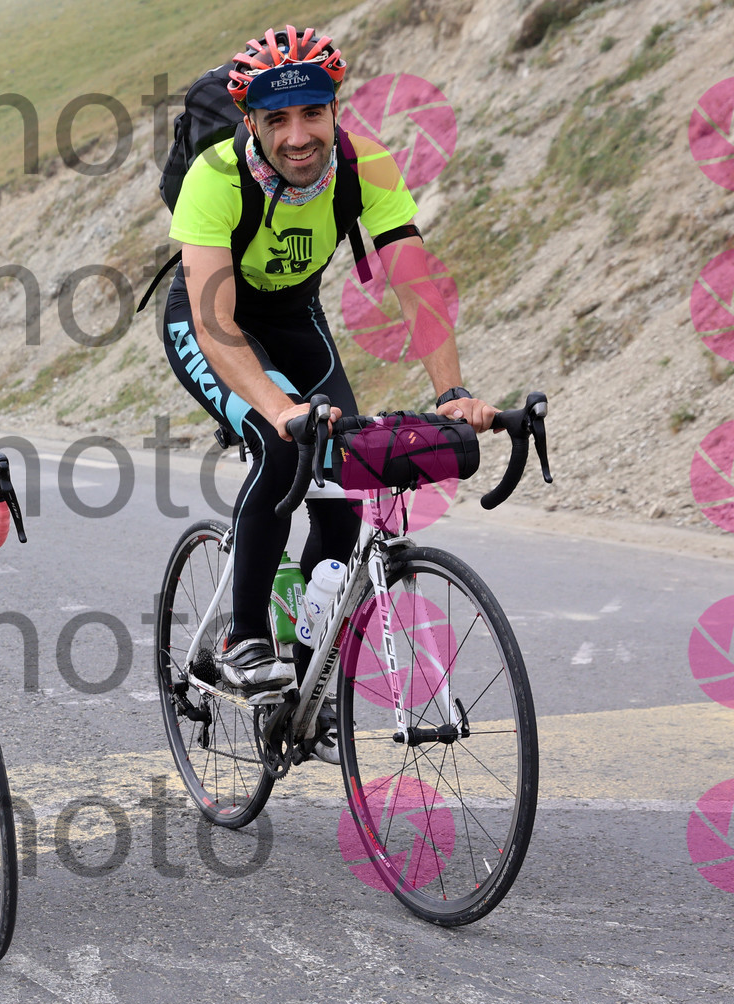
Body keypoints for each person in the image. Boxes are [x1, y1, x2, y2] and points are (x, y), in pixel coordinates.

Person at [161, 27, 500, 757]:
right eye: (277, 119)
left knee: (347, 477)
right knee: (283, 447)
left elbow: (415, 283)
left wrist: (452, 391)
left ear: (334, 110)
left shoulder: (363, 163)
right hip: (211, 321)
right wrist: (279, 409)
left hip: (293, 319)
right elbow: (216, 322)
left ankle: (308, 687)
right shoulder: (215, 178)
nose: (298, 135)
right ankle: (245, 634)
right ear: (250, 121)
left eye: (312, 113)